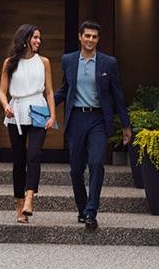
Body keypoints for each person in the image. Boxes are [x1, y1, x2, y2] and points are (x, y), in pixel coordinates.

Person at [54, 20, 132, 230]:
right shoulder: (68, 60)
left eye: (94, 37)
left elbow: (117, 95)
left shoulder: (108, 63)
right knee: (76, 170)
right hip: (76, 119)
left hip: (98, 119)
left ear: (98, 39)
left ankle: (91, 212)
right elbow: (64, 89)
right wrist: (46, 106)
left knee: (97, 163)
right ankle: (81, 208)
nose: (90, 40)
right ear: (80, 37)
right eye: (87, 36)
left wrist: (126, 125)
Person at [0, 24, 57, 223]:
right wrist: (6, 105)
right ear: (25, 39)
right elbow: (1, 91)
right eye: (35, 38)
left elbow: (49, 91)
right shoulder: (9, 63)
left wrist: (53, 115)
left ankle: (30, 196)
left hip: (39, 110)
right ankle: (19, 201)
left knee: (34, 154)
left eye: (40, 38)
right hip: (16, 111)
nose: (38, 41)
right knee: (19, 159)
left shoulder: (44, 62)